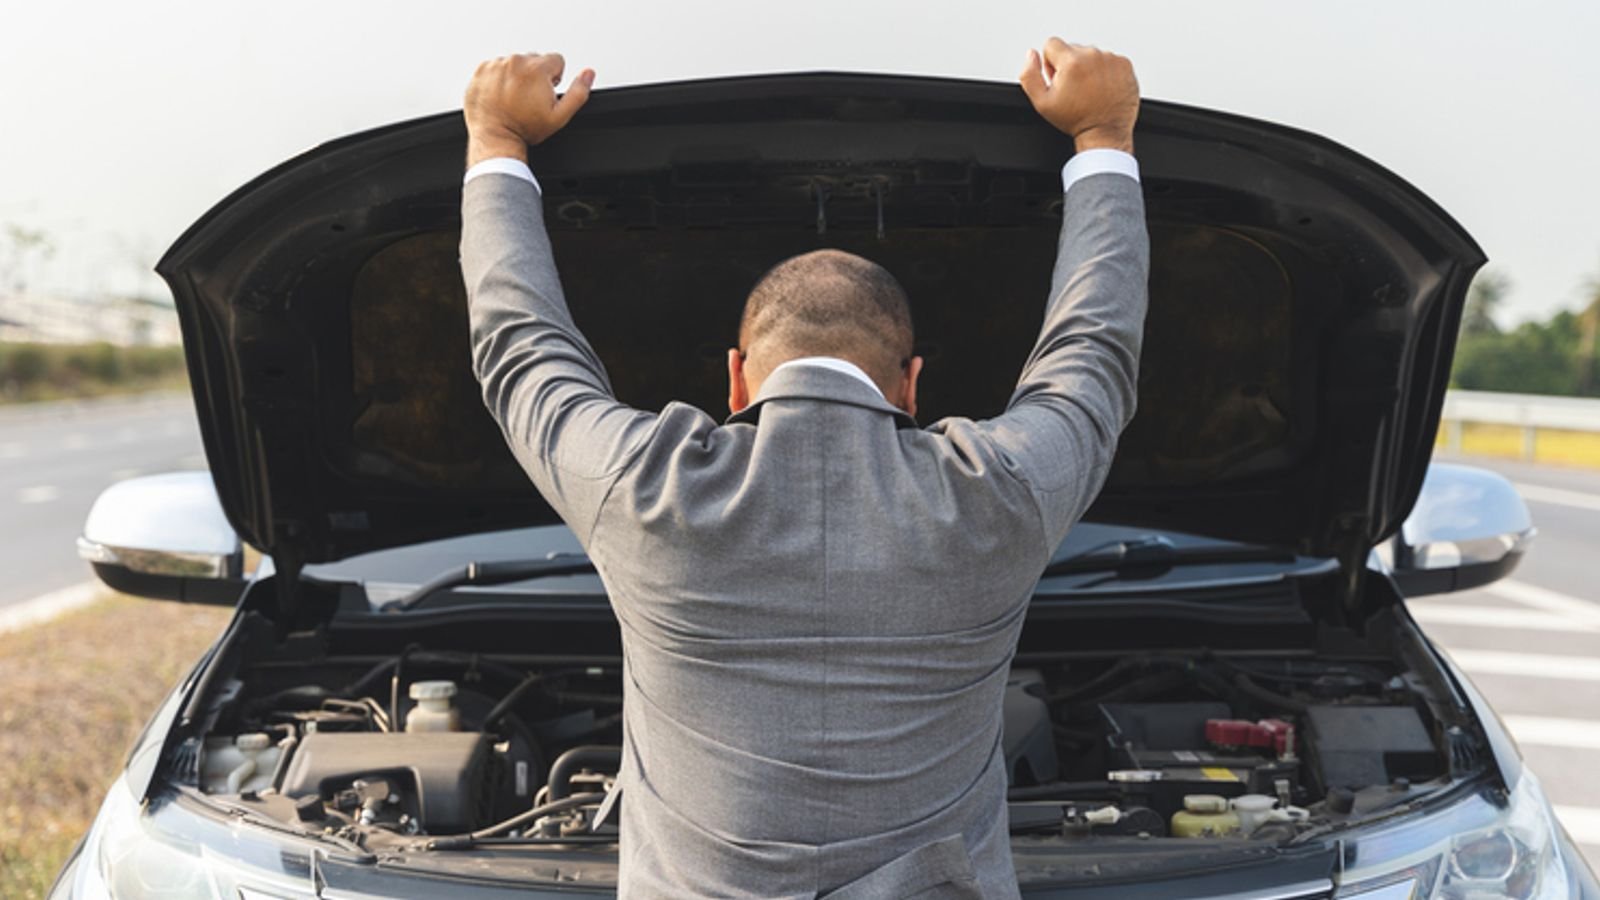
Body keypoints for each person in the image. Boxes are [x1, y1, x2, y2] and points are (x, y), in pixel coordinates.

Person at [459, 39, 1147, 899]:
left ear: (738, 375)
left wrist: (496, 141)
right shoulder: (996, 495)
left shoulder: (643, 488)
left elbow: (521, 355)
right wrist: (1102, 136)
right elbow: (1095, 357)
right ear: (912, 384)